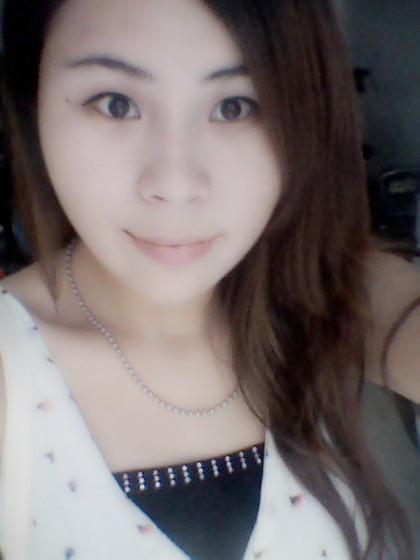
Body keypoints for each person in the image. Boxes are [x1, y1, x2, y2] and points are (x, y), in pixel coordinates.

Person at [0, 0, 418, 558]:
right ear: (33, 102)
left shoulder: (316, 293)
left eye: (235, 106)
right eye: (116, 103)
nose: (175, 184)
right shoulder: (13, 366)